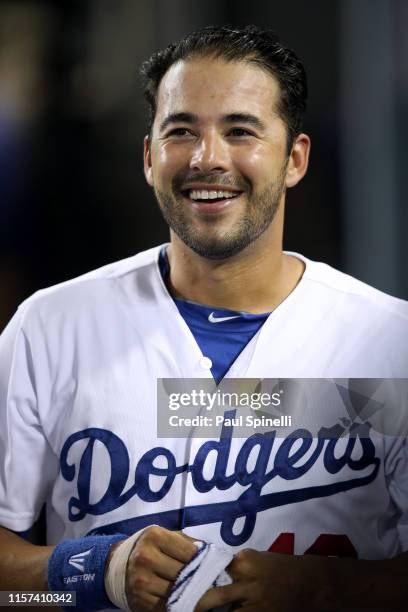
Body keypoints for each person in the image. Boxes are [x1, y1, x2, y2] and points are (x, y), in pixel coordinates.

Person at [1, 24, 408, 611]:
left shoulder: (389, 341)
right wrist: (93, 570)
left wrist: (320, 587)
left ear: (294, 159)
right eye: (181, 131)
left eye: (240, 130)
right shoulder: (50, 328)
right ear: (149, 156)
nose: (206, 157)